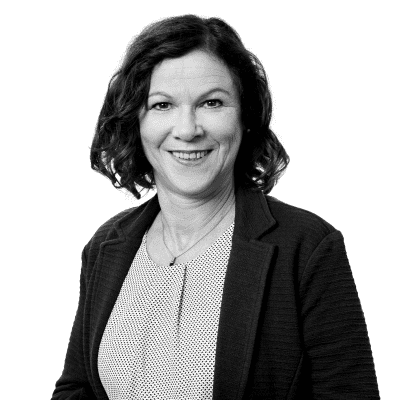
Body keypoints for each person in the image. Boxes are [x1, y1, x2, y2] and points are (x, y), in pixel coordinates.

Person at [51, 15, 380, 399]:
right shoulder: (106, 247)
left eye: (211, 102)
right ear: (135, 122)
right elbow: (77, 388)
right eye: (162, 105)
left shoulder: (308, 247)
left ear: (244, 117)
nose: (187, 129)